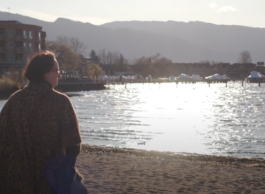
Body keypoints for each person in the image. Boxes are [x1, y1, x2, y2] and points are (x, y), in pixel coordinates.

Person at [0, 51, 86, 194]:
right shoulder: (60, 102)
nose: (59, 74)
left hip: (16, 179)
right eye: (57, 70)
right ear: (45, 73)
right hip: (50, 180)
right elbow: (73, 146)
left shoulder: (14, 101)